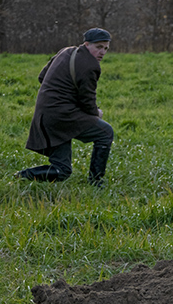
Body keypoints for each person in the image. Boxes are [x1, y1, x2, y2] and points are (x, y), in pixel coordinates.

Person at [16, 28, 114, 187]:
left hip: (45, 115)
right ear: (87, 44)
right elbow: (87, 100)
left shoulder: (66, 51)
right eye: (99, 47)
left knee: (62, 171)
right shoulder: (90, 66)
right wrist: (97, 113)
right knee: (105, 132)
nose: (102, 52)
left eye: (106, 48)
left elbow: (42, 77)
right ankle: (96, 182)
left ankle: (21, 176)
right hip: (62, 117)